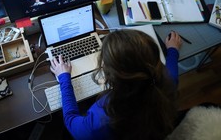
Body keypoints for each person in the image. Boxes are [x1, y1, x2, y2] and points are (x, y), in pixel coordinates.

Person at [50, 30, 182, 140]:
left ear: (112, 75)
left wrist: (64, 78)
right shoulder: (165, 85)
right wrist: (172, 50)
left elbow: (71, 121)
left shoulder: (102, 120)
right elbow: (172, 74)